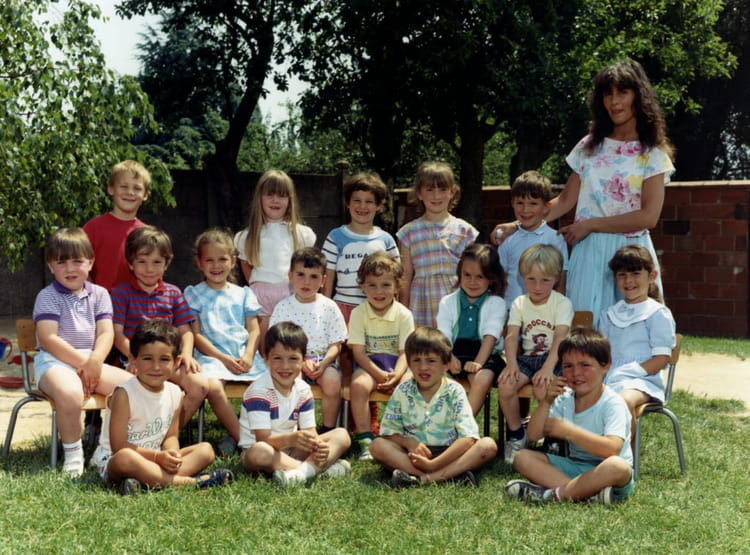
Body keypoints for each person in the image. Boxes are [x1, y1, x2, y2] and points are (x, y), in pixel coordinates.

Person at [492, 60, 674, 324]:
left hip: (632, 254)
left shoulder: (653, 153)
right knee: (583, 330)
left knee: (637, 330)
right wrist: (517, 225)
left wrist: (590, 225)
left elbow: (648, 217)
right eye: (607, 94)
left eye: (622, 92)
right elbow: (566, 200)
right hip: (588, 254)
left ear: (638, 96)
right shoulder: (589, 146)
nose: (614, 101)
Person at [111, 226, 239, 441]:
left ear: (167, 263)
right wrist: (134, 357)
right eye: (142, 262)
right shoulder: (121, 293)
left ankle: (165, 437)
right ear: (131, 263)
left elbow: (186, 331)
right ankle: (141, 436)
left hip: (169, 361)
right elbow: (117, 335)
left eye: (156, 262)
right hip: (135, 361)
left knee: (200, 385)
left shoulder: (173, 293)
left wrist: (187, 354)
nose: (149, 269)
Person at [31, 228, 132, 477]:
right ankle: (74, 456)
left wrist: (95, 361)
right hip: (54, 363)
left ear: (90, 262)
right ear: (50, 266)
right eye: (61, 262)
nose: (70, 268)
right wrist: (86, 364)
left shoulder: (100, 294)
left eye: (77, 261)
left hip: (91, 360)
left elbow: (106, 333)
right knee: (70, 392)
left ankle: (105, 448)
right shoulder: (47, 296)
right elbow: (49, 339)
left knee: (132, 389)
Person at [91, 319, 234, 495]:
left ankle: (147, 483)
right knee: (125, 458)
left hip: (156, 459)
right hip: (115, 459)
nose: (156, 367)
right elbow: (119, 446)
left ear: (176, 362)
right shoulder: (124, 394)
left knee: (206, 450)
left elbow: (171, 436)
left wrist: (172, 454)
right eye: (147, 359)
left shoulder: (175, 393)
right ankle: (191, 483)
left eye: (164, 359)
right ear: (133, 360)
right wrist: (157, 457)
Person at [504, 328, 634, 505]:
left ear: (605, 366)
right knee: (521, 457)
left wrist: (570, 432)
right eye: (568, 366)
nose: (576, 373)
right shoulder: (564, 398)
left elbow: (612, 450)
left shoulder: (612, 403)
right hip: (576, 467)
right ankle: (585, 494)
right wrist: (546, 401)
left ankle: (552, 495)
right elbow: (533, 435)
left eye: (585, 365)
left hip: (607, 474)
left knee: (618, 466)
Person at [370, 327, 497, 488]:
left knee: (487, 446)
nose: (423, 367)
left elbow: (468, 438)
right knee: (377, 446)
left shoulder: (455, 391)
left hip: (450, 453)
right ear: (409, 364)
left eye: (431, 361)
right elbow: (388, 433)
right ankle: (450, 476)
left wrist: (433, 465)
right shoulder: (402, 390)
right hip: (414, 455)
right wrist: (408, 442)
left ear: (446, 365)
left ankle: (423, 478)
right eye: (417, 360)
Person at [239, 322, 351, 487]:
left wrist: (319, 447)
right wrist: (291, 439)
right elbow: (263, 439)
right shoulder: (259, 392)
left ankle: (297, 474)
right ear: (266, 359)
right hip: (263, 453)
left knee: (342, 435)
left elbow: (310, 433)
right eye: (277, 358)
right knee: (259, 451)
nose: (285, 366)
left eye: (293, 359)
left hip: (293, 449)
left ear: (303, 360)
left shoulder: (303, 390)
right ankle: (316, 471)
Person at [184, 228, 263, 456]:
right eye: (209, 260)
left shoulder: (244, 294)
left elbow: (254, 329)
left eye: (222, 259)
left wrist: (248, 355)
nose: (216, 266)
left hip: (242, 354)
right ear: (199, 263)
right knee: (213, 387)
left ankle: (260, 435)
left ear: (233, 261)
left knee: (267, 385)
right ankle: (245, 441)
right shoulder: (194, 294)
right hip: (212, 356)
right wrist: (223, 358)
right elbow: (196, 336)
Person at [498, 244, 573, 465]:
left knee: (544, 388)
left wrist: (548, 368)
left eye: (545, 280)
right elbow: (512, 335)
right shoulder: (520, 303)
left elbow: (560, 337)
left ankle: (552, 438)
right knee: (506, 384)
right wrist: (511, 364)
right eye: (531, 279)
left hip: (555, 359)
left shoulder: (561, 303)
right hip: (528, 359)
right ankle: (517, 435)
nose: (537, 287)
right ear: (522, 277)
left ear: (556, 279)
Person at [233, 170, 316, 352]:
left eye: (281, 195)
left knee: (290, 343)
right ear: (259, 198)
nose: (275, 200)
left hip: (290, 292)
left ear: (290, 200)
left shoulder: (300, 234)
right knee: (263, 347)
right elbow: (246, 265)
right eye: (269, 194)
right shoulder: (248, 235)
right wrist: (257, 286)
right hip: (260, 295)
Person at [270, 247, 348, 433]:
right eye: (300, 275)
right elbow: (277, 341)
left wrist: (324, 363)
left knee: (332, 382)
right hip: (291, 360)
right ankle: (292, 430)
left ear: (323, 281)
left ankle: (327, 429)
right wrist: (301, 361)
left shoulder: (329, 307)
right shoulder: (283, 307)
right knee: (292, 382)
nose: (306, 282)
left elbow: (337, 343)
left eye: (314, 276)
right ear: (290, 276)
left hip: (324, 361)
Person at [598, 245, 676, 430]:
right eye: (622, 275)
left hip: (642, 380)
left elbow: (661, 359)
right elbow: (601, 354)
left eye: (635, 273)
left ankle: (623, 448)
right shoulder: (609, 314)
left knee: (622, 400)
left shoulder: (657, 314)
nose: (628, 280)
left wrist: (629, 372)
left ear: (651, 276)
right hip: (609, 377)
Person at [348, 252, 414, 460]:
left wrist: (396, 375)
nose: (379, 291)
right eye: (372, 285)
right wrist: (378, 375)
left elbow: (405, 352)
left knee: (410, 385)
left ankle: (407, 436)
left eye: (386, 285)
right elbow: (358, 353)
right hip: (369, 365)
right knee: (358, 386)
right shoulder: (358, 313)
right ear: (363, 287)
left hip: (398, 365)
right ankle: (365, 439)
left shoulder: (404, 314)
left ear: (397, 286)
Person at [397, 162, 478, 327]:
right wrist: (403, 309)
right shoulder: (408, 232)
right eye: (429, 190)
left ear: (452, 192)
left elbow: (473, 272)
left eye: (442, 189)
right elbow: (406, 276)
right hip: (421, 302)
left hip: (456, 298)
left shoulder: (465, 230)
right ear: (419, 193)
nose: (436, 196)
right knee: (423, 341)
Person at [436, 244, 507, 415]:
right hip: (454, 351)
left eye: (480, 277)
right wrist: (449, 357)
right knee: (437, 376)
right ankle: (440, 422)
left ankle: (463, 424)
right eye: (467, 275)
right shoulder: (447, 302)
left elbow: (491, 336)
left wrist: (478, 363)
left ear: (491, 279)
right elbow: (443, 334)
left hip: (485, 354)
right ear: (459, 273)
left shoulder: (496, 303)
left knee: (481, 379)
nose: (472, 282)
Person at [322, 172, 399, 322]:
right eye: (357, 200)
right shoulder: (335, 237)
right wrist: (325, 309)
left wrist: (395, 308)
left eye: (369, 201)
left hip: (378, 308)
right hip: (343, 308)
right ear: (347, 202)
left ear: (378, 206)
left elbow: (396, 278)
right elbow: (327, 277)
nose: (362, 206)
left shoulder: (386, 240)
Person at [498, 170, 568, 308]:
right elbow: (500, 279)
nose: (525, 210)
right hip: (511, 309)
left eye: (533, 203)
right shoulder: (507, 239)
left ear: (546, 207)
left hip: (544, 311)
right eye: (520, 203)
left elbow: (561, 281)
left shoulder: (555, 238)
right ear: (512, 203)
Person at [83, 160, 150, 292]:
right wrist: (93, 297)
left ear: (145, 195)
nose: (130, 192)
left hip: (138, 303)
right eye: (124, 186)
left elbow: (154, 272)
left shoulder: (148, 235)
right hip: (99, 302)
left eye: (137, 188)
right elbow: (79, 267)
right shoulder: (93, 228)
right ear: (111, 189)